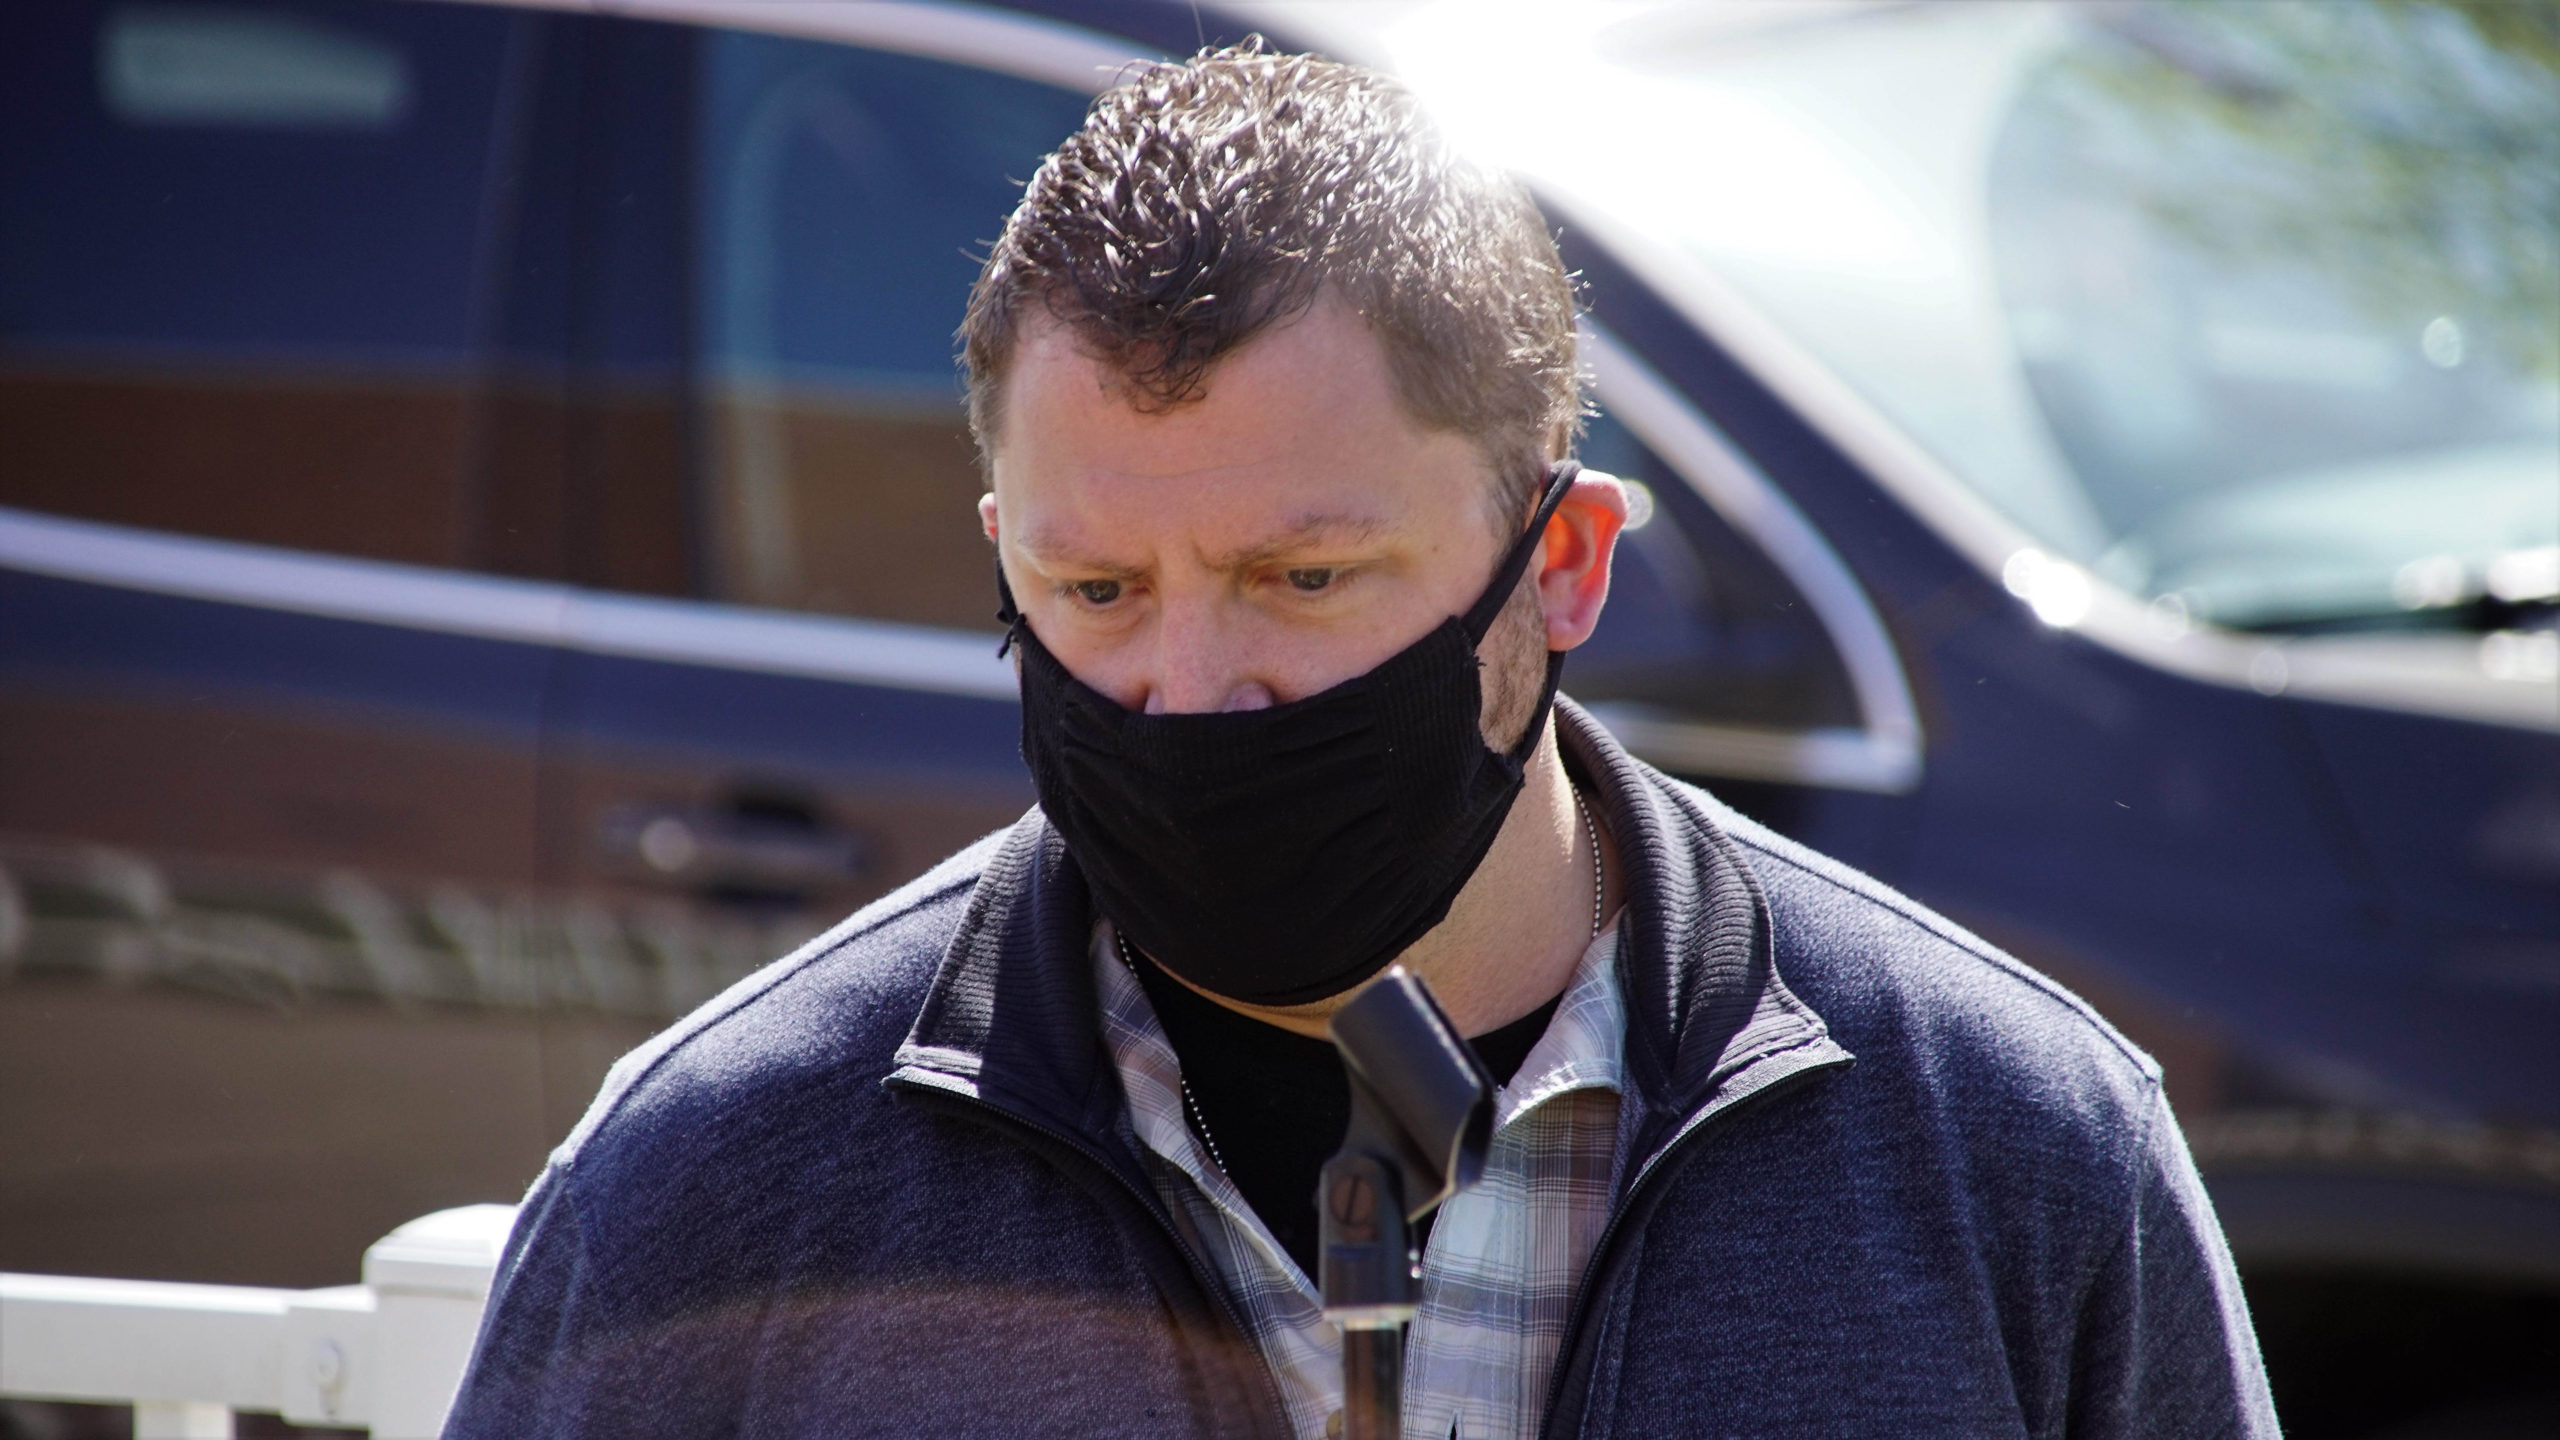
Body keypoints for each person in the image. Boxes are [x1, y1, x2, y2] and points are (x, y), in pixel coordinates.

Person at [444, 43, 2278, 1440]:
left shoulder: (2014, 1155)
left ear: (1562, 563)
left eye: (1303, 577)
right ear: (1003, 554)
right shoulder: (717, 1183)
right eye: (1095, 590)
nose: (1190, 688)